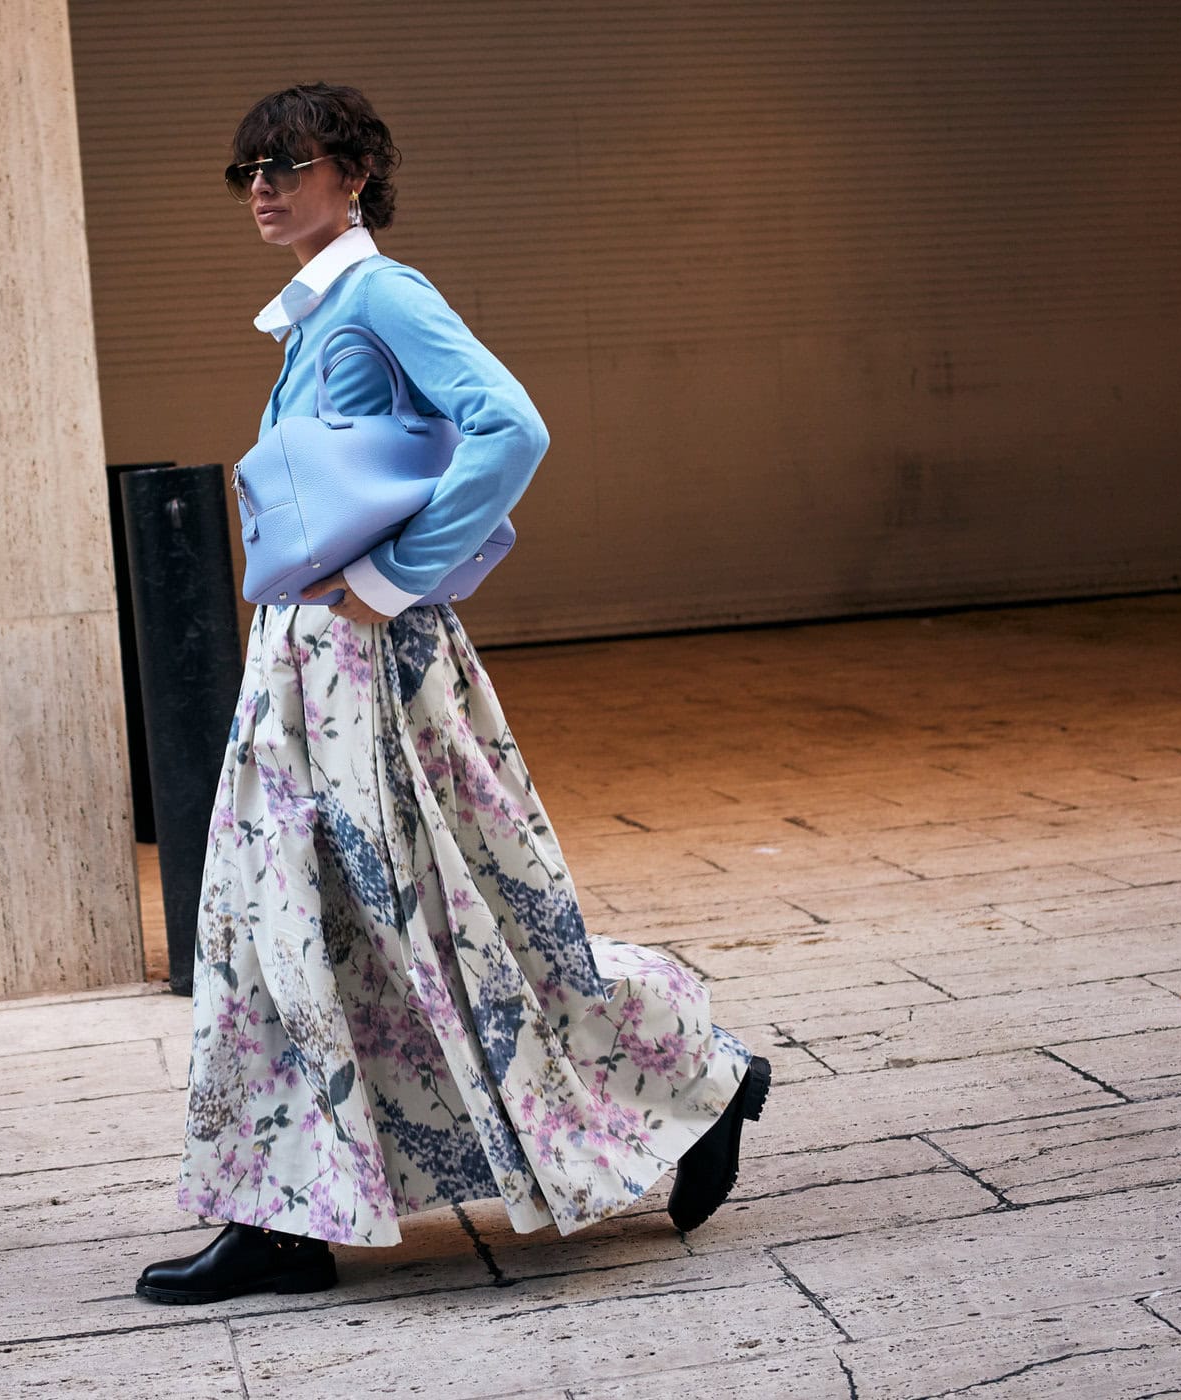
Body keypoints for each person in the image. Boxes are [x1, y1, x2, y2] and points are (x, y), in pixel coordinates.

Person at [135, 82, 770, 1306]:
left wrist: (390, 578)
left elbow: (511, 428)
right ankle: (284, 1215)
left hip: (362, 661)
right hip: (309, 663)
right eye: (247, 169)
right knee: (293, 923)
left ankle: (701, 1073)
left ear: (355, 174)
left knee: (456, 920)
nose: (261, 186)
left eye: (286, 163)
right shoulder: (317, 313)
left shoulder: (383, 294)